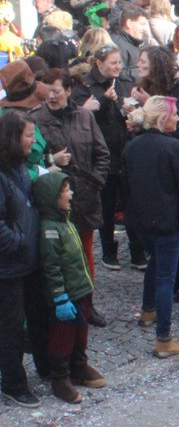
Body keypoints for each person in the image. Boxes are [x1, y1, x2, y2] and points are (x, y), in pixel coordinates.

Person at [29, 69, 110, 325]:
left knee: (84, 253)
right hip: (53, 200)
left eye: (56, 91)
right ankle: (58, 303)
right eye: (47, 91)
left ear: (68, 90)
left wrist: (96, 182)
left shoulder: (84, 116)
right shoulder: (36, 119)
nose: (50, 96)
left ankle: (87, 305)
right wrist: (53, 161)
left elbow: (102, 153)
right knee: (56, 254)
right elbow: (31, 159)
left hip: (84, 196)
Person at [122, 96, 179, 358]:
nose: (177, 119)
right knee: (166, 276)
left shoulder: (133, 146)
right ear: (164, 118)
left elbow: (126, 185)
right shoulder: (173, 147)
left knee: (154, 263)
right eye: (174, 115)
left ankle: (148, 310)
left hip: (141, 220)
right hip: (166, 220)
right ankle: (164, 338)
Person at [32, 172, 106, 403]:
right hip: (66, 296)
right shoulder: (49, 229)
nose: (71, 194)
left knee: (81, 331)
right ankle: (60, 377)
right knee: (62, 335)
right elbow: (51, 268)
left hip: (80, 291)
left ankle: (79, 365)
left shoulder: (66, 221)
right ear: (51, 197)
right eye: (65, 190)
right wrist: (60, 298)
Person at [71, 45, 143, 270]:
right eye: (113, 63)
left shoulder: (123, 82)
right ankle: (109, 251)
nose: (118, 67)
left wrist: (132, 114)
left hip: (125, 150)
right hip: (101, 154)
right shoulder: (84, 86)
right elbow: (81, 118)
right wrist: (102, 101)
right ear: (99, 63)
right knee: (106, 204)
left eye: (119, 62)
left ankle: (137, 251)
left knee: (132, 203)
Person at [0, 111, 41, 408]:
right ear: (14, 138)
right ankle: (13, 384)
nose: (33, 141)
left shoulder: (19, 167)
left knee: (28, 322)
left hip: (25, 261)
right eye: (29, 135)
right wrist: (20, 242)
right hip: (9, 266)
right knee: (11, 327)